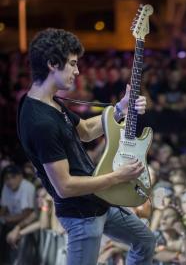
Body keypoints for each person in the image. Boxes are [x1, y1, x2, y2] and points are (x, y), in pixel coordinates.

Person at [17, 28, 155, 265]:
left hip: (98, 199)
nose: (77, 71)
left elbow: (86, 131)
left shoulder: (50, 101)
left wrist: (122, 108)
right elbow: (66, 187)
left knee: (146, 241)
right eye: (72, 64)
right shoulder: (39, 121)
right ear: (52, 63)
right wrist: (117, 176)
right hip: (81, 215)